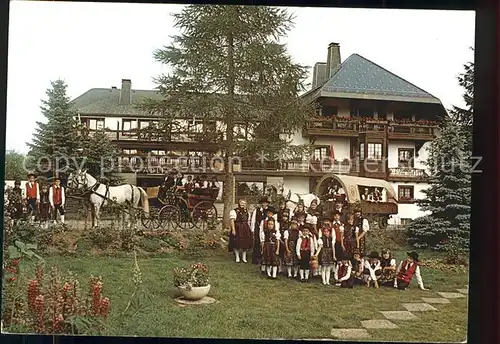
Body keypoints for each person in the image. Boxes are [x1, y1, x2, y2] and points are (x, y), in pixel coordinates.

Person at [229, 199, 253, 263]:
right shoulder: (234, 211)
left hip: (245, 228)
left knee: (245, 242)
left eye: (244, 203)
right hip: (237, 227)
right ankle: (237, 257)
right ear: (239, 203)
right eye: (241, 203)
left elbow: (248, 221)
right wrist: (233, 229)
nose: (242, 204)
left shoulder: (247, 212)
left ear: (246, 204)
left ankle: (244, 257)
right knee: (236, 242)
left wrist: (249, 229)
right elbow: (232, 221)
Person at [250, 196, 270, 265]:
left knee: (265, 242)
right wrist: (252, 229)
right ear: (261, 204)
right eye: (263, 203)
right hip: (258, 228)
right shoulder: (257, 210)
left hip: (266, 228)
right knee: (257, 242)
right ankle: (255, 259)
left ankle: (264, 258)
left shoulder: (269, 211)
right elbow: (253, 220)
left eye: (266, 203)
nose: (265, 204)